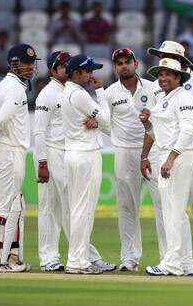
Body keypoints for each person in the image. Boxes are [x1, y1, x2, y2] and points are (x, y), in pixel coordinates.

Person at [146, 41, 193, 274]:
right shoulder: (164, 92)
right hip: (168, 153)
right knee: (170, 210)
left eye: (166, 59)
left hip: (186, 154)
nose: (162, 72)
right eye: (160, 67)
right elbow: (159, 128)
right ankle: (184, 263)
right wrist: (147, 135)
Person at [102, 48, 166, 271]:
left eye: (127, 61)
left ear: (135, 64)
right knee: (127, 207)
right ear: (115, 67)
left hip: (153, 150)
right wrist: (111, 133)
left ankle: (167, 257)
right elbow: (103, 121)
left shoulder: (154, 87)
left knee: (162, 204)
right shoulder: (109, 93)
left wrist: (146, 152)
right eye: (119, 63)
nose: (123, 66)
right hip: (124, 153)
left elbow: (162, 119)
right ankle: (129, 258)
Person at [0, 44, 40, 272]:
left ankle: (11, 257)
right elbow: (1, 120)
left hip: (7, 150)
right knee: (5, 207)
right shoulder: (15, 89)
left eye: (31, 63)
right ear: (12, 64)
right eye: (24, 63)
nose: (29, 67)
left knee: (14, 205)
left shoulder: (7, 85)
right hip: (8, 151)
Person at [139, 57, 193, 276]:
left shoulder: (184, 97)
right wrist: (147, 124)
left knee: (172, 212)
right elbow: (158, 135)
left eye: (167, 75)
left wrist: (172, 158)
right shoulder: (164, 100)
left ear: (178, 77)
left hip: (177, 157)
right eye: (160, 75)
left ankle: (171, 264)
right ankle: (182, 263)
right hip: (167, 154)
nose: (162, 78)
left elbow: (188, 130)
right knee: (174, 212)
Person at [61, 54, 117, 274]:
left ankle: (79, 258)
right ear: (76, 73)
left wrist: (97, 119)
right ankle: (77, 262)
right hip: (85, 154)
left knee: (78, 210)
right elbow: (106, 120)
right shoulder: (79, 94)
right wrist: (101, 93)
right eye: (88, 71)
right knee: (83, 212)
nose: (92, 76)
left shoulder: (69, 92)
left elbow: (99, 121)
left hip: (74, 153)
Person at [33, 51, 72, 272]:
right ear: (53, 71)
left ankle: (82, 253)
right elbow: (38, 131)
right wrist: (42, 163)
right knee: (49, 207)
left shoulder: (69, 91)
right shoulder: (48, 93)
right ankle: (48, 258)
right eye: (62, 65)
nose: (67, 67)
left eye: (68, 63)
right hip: (50, 152)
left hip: (65, 153)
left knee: (65, 206)